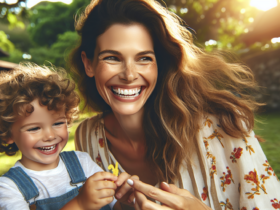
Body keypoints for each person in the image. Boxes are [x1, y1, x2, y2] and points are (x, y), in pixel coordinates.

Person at [69, 0, 280, 209]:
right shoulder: (88, 137)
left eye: (144, 58)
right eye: (112, 58)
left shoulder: (223, 125)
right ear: (89, 64)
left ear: (159, 64)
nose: (130, 75)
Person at [0, 63, 135, 210]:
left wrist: (124, 197)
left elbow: (114, 206)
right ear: (7, 134)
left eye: (57, 123)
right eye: (34, 128)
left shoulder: (83, 163)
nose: (50, 135)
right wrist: (80, 204)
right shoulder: (9, 188)